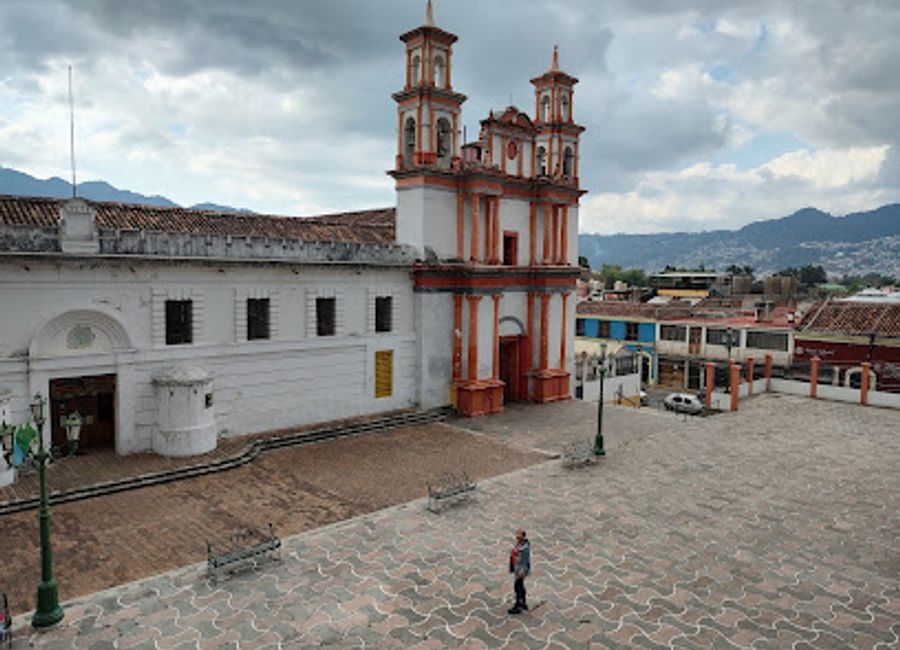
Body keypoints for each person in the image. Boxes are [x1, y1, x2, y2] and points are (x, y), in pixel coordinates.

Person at [508, 529, 531, 614]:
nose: (516, 538)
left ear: (523, 537)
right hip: (517, 569)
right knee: (520, 586)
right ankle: (523, 603)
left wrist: (521, 573)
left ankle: (518, 605)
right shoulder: (519, 544)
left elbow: (526, 562)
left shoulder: (524, 548)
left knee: (517, 587)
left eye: (518, 536)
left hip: (520, 571)